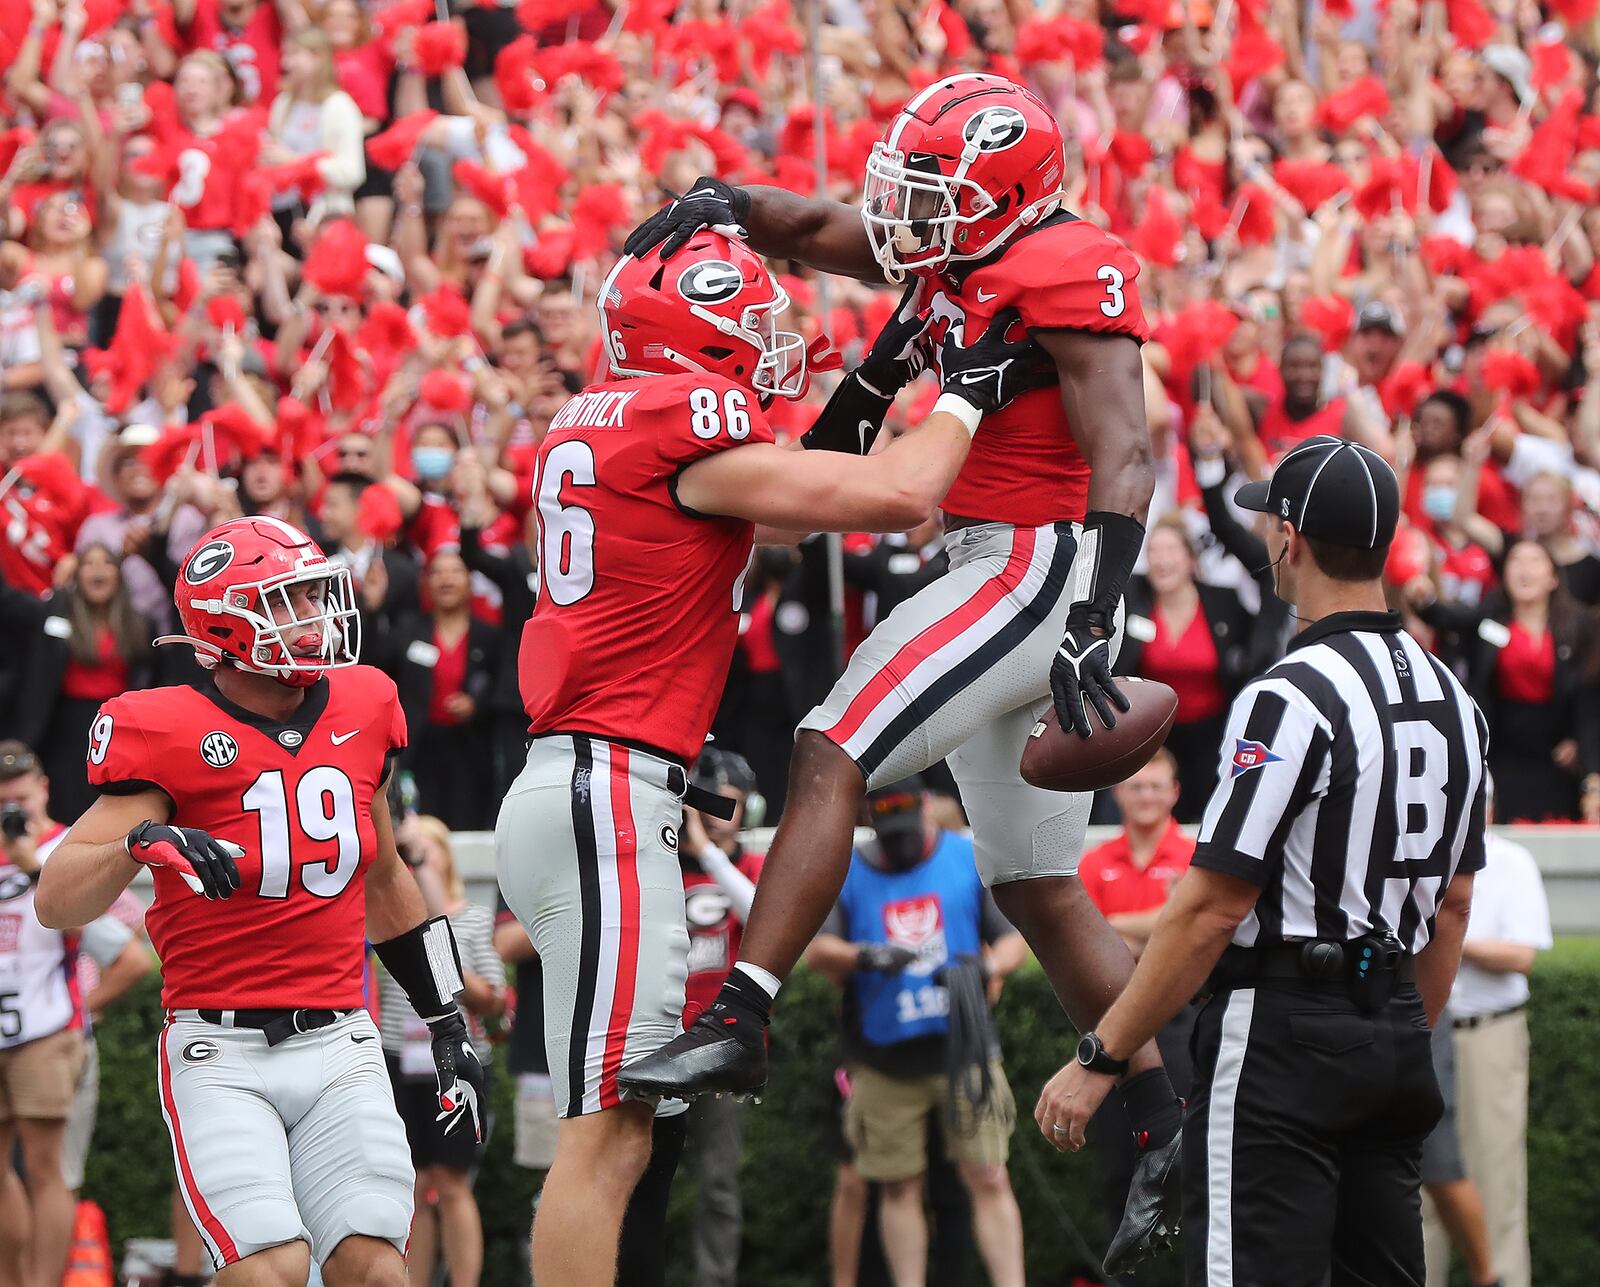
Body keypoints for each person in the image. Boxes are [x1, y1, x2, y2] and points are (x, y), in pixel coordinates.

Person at [618, 73, 1187, 1271]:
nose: (907, 211)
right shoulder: (961, 251)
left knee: (831, 744)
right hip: (994, 561)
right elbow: (827, 228)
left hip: (1034, 568)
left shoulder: (1065, 264)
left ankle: (742, 1015)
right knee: (1036, 884)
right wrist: (725, 197)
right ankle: (1170, 1126)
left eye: (935, 191)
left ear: (1009, 193)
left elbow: (1124, 451)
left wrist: (1096, 610)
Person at [493, 226, 1048, 1287]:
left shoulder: (619, 425)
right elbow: (895, 495)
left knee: (622, 1132)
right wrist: (966, 390)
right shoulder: (674, 419)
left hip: (586, 785)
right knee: (604, 1134)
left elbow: (794, 496)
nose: (765, 346)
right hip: (604, 795)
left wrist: (886, 368)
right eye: (745, 329)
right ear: (686, 340)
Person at [1034, 436, 1489, 1286]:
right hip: (1395, 1023)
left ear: (1290, 538)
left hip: (1287, 1032)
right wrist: (1391, 1025)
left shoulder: (1293, 689)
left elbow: (1210, 905)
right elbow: (1453, 906)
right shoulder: (1455, 697)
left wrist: (1100, 1057)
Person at [32, 515, 486, 1287]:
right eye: (289, 600)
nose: (315, 617)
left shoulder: (365, 702)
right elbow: (57, 895)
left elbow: (385, 880)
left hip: (342, 1038)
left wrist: (447, 1017)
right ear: (226, 622)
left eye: (315, 594)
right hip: (222, 1050)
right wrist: (139, 842)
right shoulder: (165, 726)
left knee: (375, 1268)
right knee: (267, 1269)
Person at [805, 777, 1029, 1287]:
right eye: (889, 833)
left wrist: (988, 969)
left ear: (926, 808)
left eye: (908, 829)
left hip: (964, 1051)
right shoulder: (849, 869)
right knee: (898, 1186)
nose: (901, 843)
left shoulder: (966, 858)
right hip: (884, 1062)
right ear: (868, 818)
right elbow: (817, 949)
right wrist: (870, 956)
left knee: (990, 1175)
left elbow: (1013, 940)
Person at [0, 741, 147, 1287]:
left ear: (42, 789)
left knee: (48, 1168)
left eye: (20, 799)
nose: (13, 813)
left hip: (48, 1028)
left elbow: (128, 947)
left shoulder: (69, 846)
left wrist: (32, 866)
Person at [1074, 750, 1198, 1282]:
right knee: (1119, 1174)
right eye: (1136, 786)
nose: (1146, 795)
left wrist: (1117, 929)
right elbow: (1079, 943)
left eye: (1156, 786)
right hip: (1112, 1032)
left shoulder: (1196, 855)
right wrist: (1163, 921)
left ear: (1174, 792)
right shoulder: (1094, 860)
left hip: (1183, 1028)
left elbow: (1194, 932)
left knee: (1192, 1169)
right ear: (1118, 793)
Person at [377, 815, 504, 1287]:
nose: (416, 860)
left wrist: (448, 975)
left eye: (427, 851)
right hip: (398, 1059)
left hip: (455, 1061)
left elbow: (492, 997)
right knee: (413, 1187)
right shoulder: (389, 923)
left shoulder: (470, 919)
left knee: (451, 1185)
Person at [1435, 780, 1551, 1287]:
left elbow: (1521, 956)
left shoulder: (1511, 862)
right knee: (1418, 1181)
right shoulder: (1418, 861)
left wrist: (1452, 935)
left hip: (1488, 1034)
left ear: (1488, 807)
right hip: (1426, 1031)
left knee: (1496, 1178)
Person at [676, 748, 762, 1287]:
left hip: (724, 1047)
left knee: (718, 1183)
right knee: (641, 1175)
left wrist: (709, 855)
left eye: (725, 804)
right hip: (662, 1038)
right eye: (705, 805)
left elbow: (762, 914)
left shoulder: (749, 865)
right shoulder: (661, 864)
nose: (713, 815)